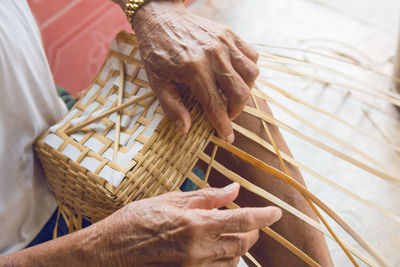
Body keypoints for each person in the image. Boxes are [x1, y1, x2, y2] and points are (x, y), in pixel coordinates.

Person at [0, 0, 332, 266]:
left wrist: (149, 7)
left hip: (47, 132)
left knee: (218, 93)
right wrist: (94, 252)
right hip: (23, 251)